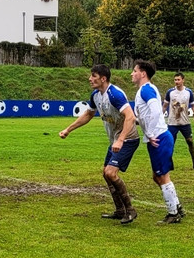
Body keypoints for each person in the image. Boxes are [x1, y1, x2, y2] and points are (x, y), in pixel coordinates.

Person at [59, 64, 140, 224]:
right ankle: (119, 210)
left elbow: (130, 117)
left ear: (103, 78)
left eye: (93, 76)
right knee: (106, 173)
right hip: (115, 140)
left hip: (128, 139)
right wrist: (68, 129)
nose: (90, 79)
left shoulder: (115, 94)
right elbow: (88, 114)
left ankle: (130, 210)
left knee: (110, 173)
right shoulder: (96, 95)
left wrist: (121, 139)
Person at [131, 60, 184, 224]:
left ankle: (173, 213)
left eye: (134, 71)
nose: (132, 74)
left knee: (162, 176)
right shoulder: (146, 90)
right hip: (158, 137)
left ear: (143, 73)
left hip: (159, 137)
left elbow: (155, 111)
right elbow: (148, 115)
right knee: (157, 176)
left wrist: (150, 132)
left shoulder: (146, 90)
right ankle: (177, 207)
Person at [163, 72, 194, 170]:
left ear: (183, 80)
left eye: (178, 80)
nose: (176, 82)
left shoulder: (188, 92)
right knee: (170, 143)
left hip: (185, 122)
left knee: (190, 141)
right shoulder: (170, 92)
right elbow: (165, 106)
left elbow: (193, 105)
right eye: (175, 80)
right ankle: (168, 164)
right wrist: (159, 115)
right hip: (172, 122)